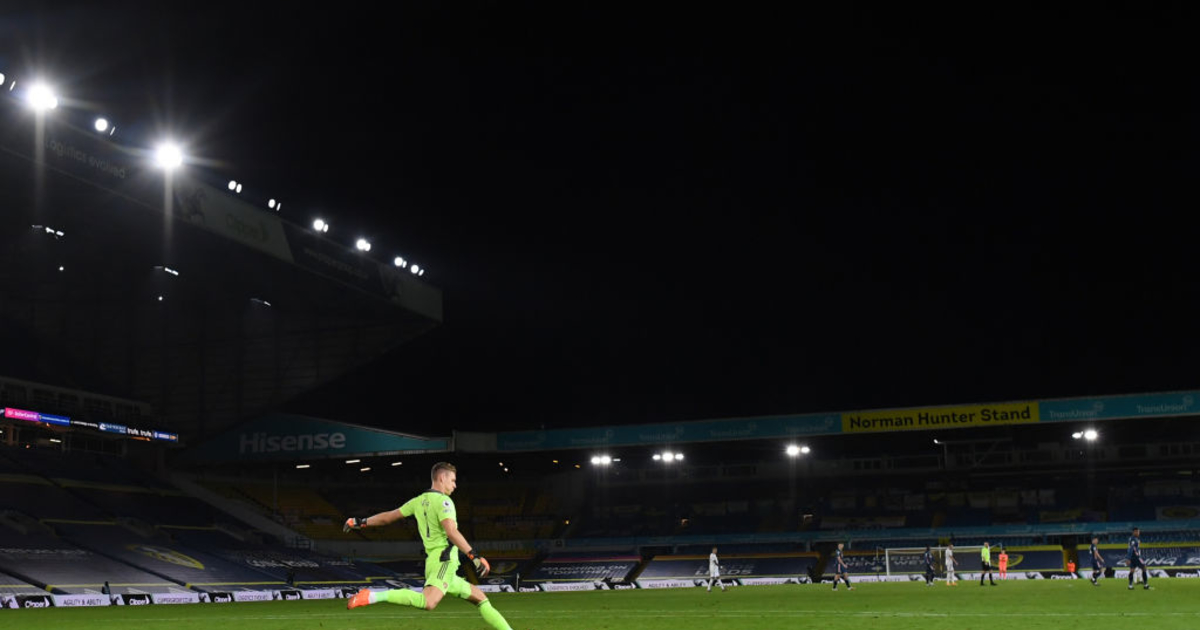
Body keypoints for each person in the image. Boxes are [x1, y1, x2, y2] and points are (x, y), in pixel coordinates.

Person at [343, 462, 515, 630]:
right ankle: (372, 596)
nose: (455, 485)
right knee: (428, 602)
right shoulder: (444, 502)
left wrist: (361, 521)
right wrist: (474, 556)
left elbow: (389, 516)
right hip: (444, 561)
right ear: (441, 478)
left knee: (481, 599)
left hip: (434, 561)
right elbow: (451, 532)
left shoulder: (418, 501)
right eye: (453, 480)